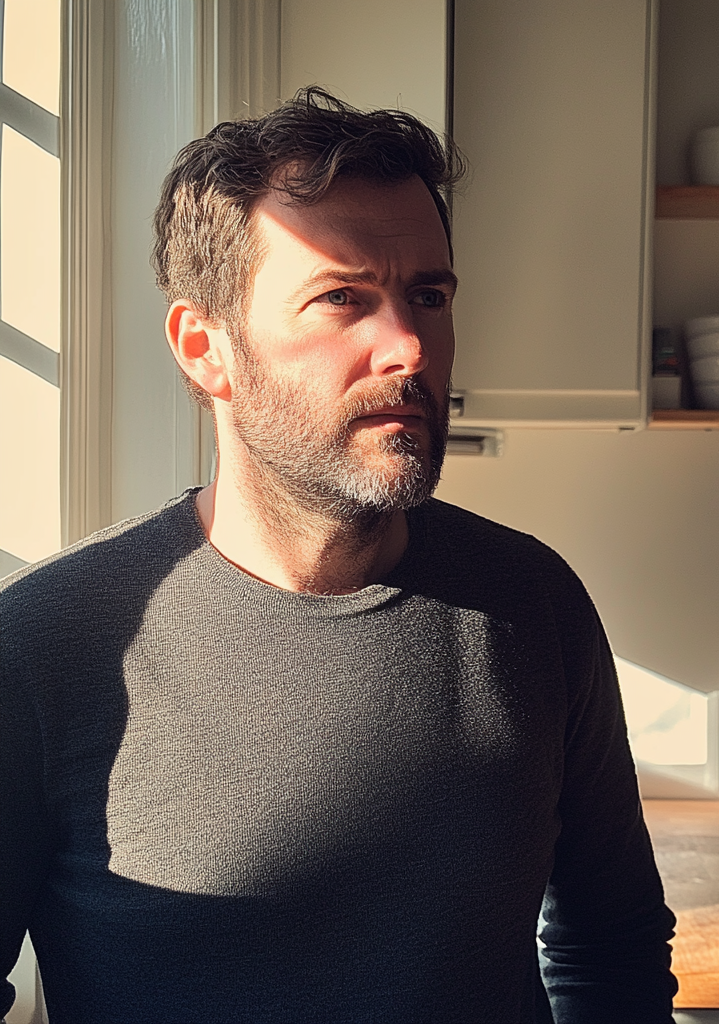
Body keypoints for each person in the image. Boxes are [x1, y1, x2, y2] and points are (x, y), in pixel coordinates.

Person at [0, 87, 677, 1024]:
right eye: (341, 299)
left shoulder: (534, 605)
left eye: (428, 296)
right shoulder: (45, 648)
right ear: (206, 349)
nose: (408, 347)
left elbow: (614, 949)